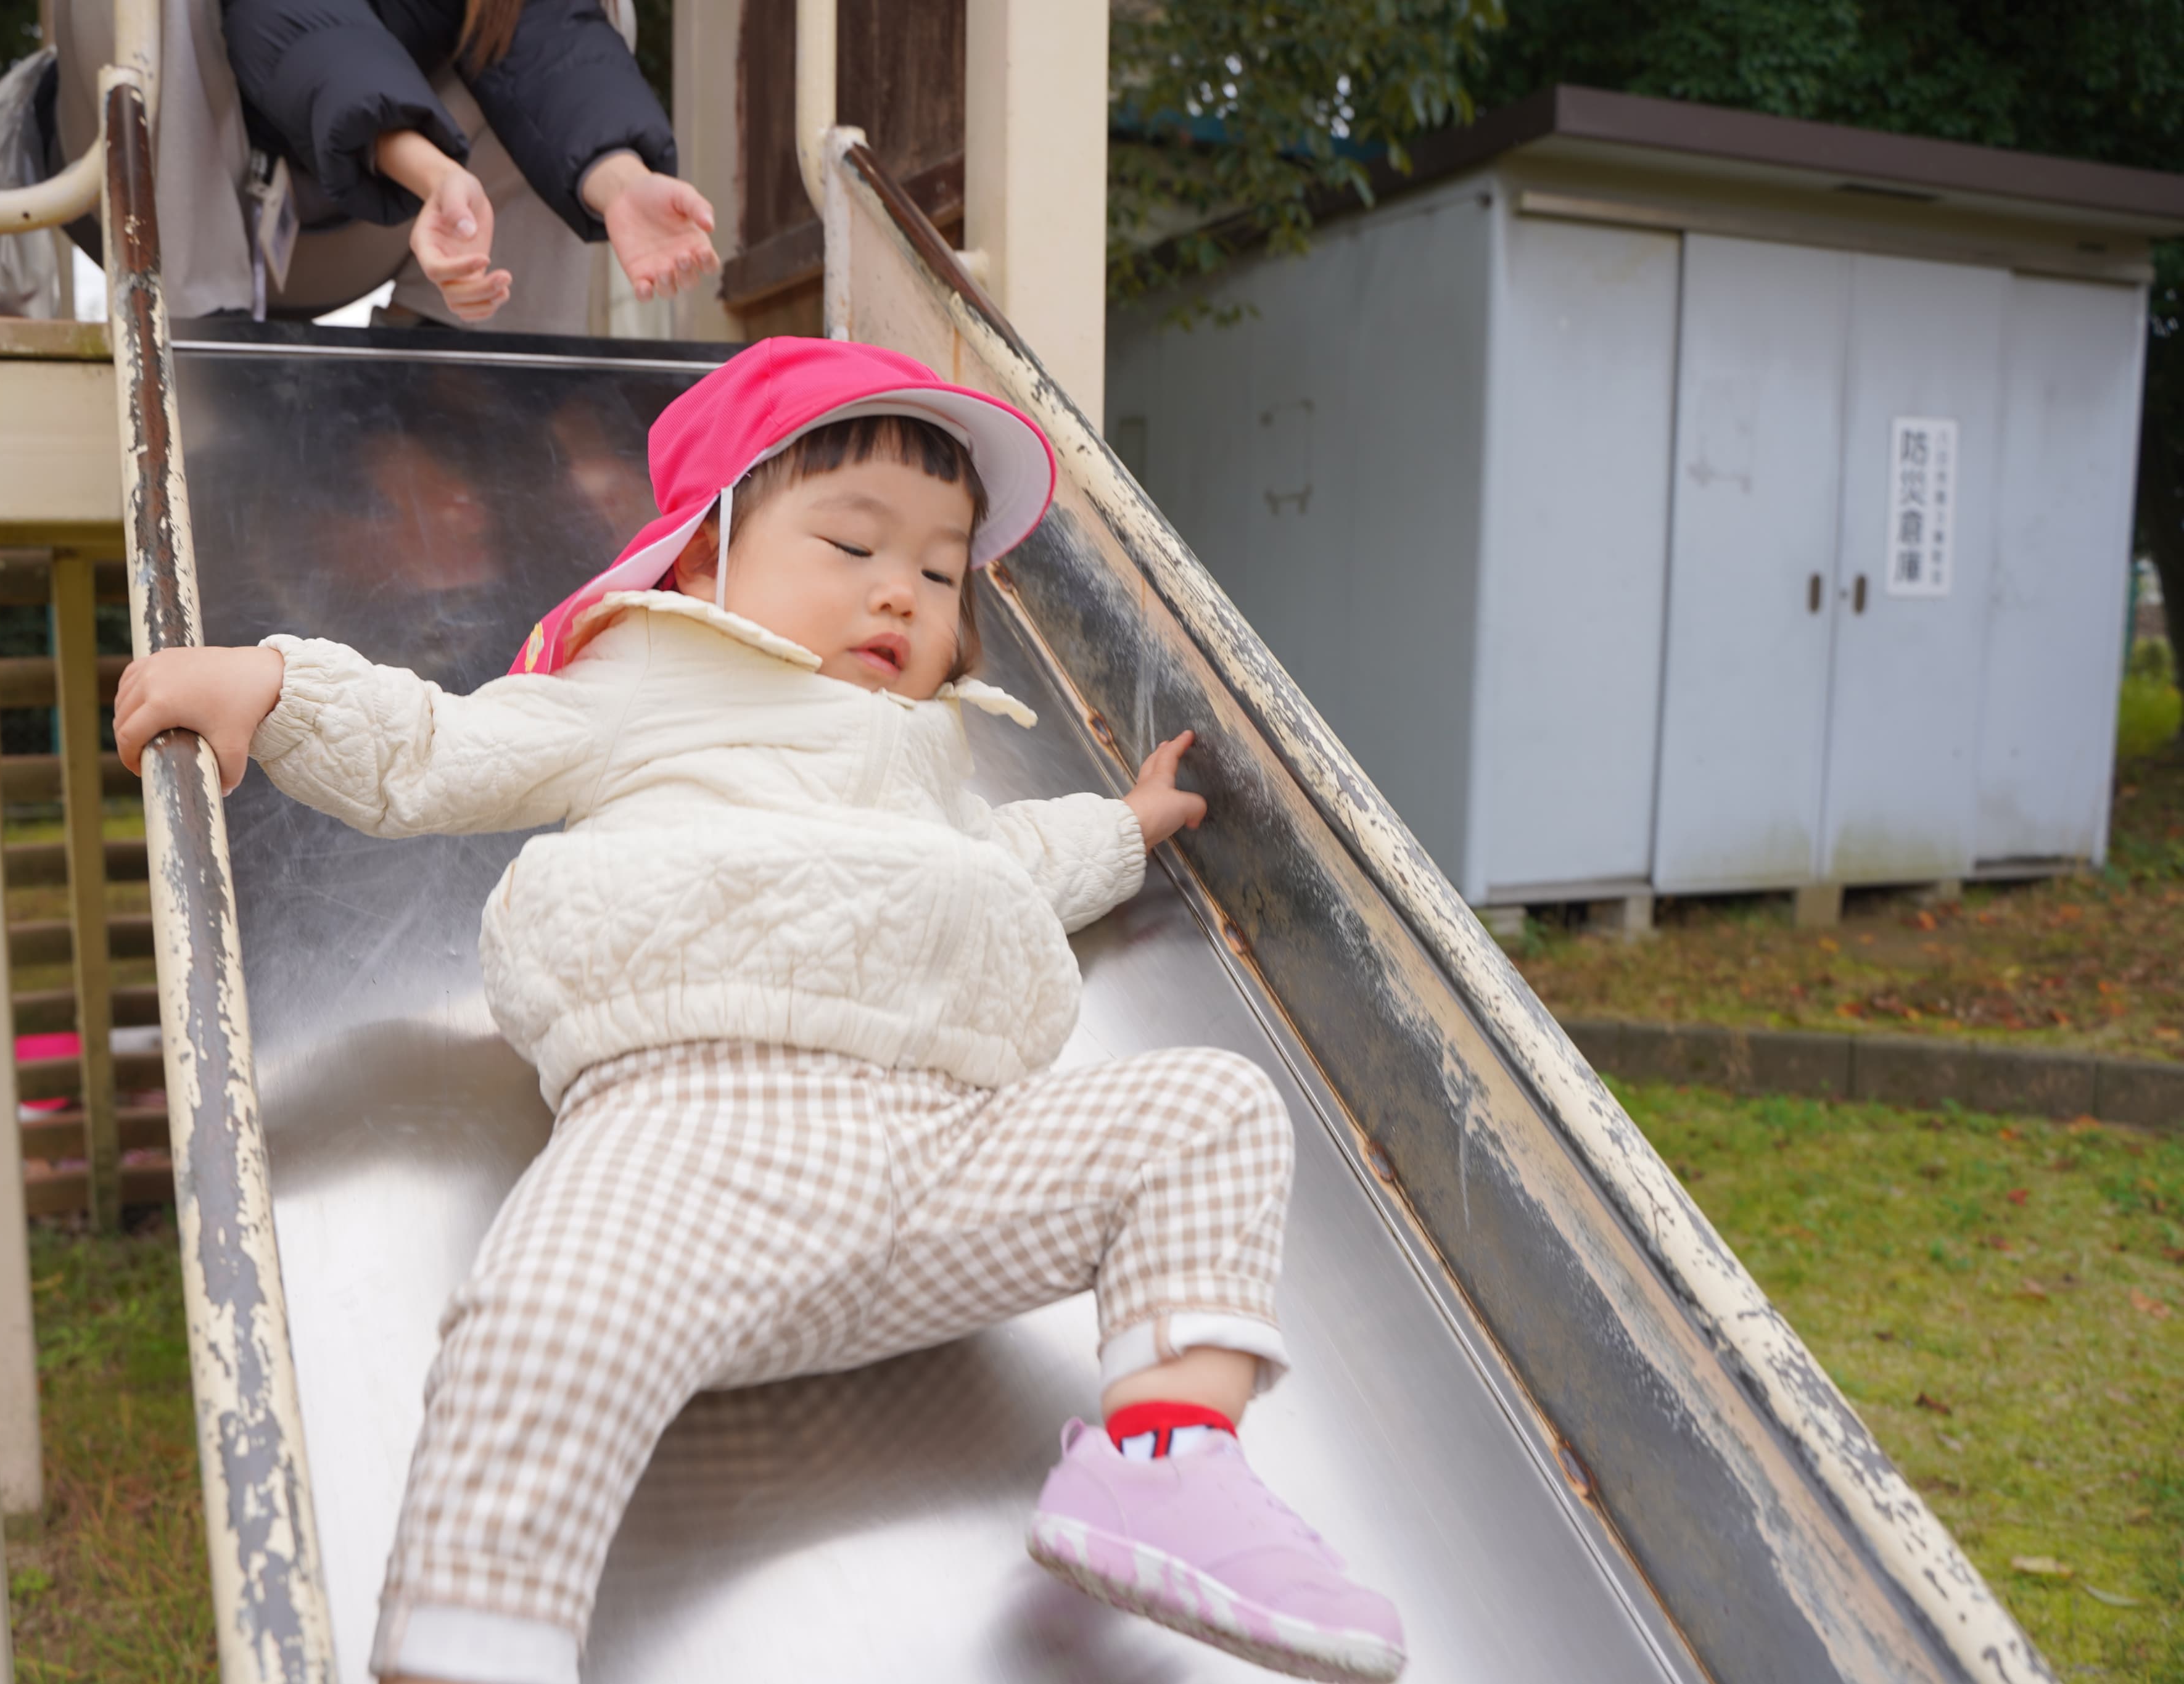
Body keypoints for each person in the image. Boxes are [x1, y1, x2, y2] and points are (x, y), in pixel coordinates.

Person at [112, 337, 1408, 1684]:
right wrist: (280, 685)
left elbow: (1010, 861)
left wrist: (1127, 826)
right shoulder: (642, 684)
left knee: (1208, 1110)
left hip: (944, 1166)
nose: (900, 591)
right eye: (851, 545)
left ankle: (1164, 1466)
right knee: (542, 1318)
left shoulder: (928, 763)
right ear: (698, 559)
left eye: (941, 572)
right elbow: (441, 749)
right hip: (690, 1144)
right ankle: (478, 1637)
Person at [49, 0, 718, 332]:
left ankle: (465, 355)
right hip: (166, 190)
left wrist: (622, 179)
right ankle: (188, 343)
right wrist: (432, 172)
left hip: (348, 222)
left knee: (604, 5)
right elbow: (293, 24)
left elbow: (550, 43)